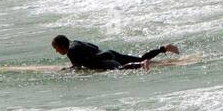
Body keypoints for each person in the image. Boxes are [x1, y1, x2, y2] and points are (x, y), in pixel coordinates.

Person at [51, 35, 179, 72]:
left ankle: (141, 65)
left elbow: (78, 67)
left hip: (105, 60)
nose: (57, 51)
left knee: (120, 68)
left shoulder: (71, 51)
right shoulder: (76, 42)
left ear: (62, 46)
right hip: (109, 53)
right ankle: (164, 48)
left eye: (56, 48)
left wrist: (66, 70)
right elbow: (94, 47)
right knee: (140, 57)